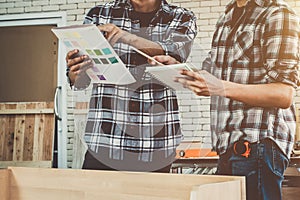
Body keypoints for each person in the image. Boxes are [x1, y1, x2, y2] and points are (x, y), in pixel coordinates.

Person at [151, 0, 300, 199]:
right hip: (227, 148)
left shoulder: (277, 13)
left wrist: (220, 87)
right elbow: (213, 73)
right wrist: (178, 67)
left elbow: (283, 94)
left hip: (258, 146)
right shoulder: (227, 17)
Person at [65, 0, 197, 172]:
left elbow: (174, 53)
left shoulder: (181, 17)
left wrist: (126, 37)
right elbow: (82, 81)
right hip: (104, 144)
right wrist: (75, 72)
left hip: (156, 148)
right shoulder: (98, 15)